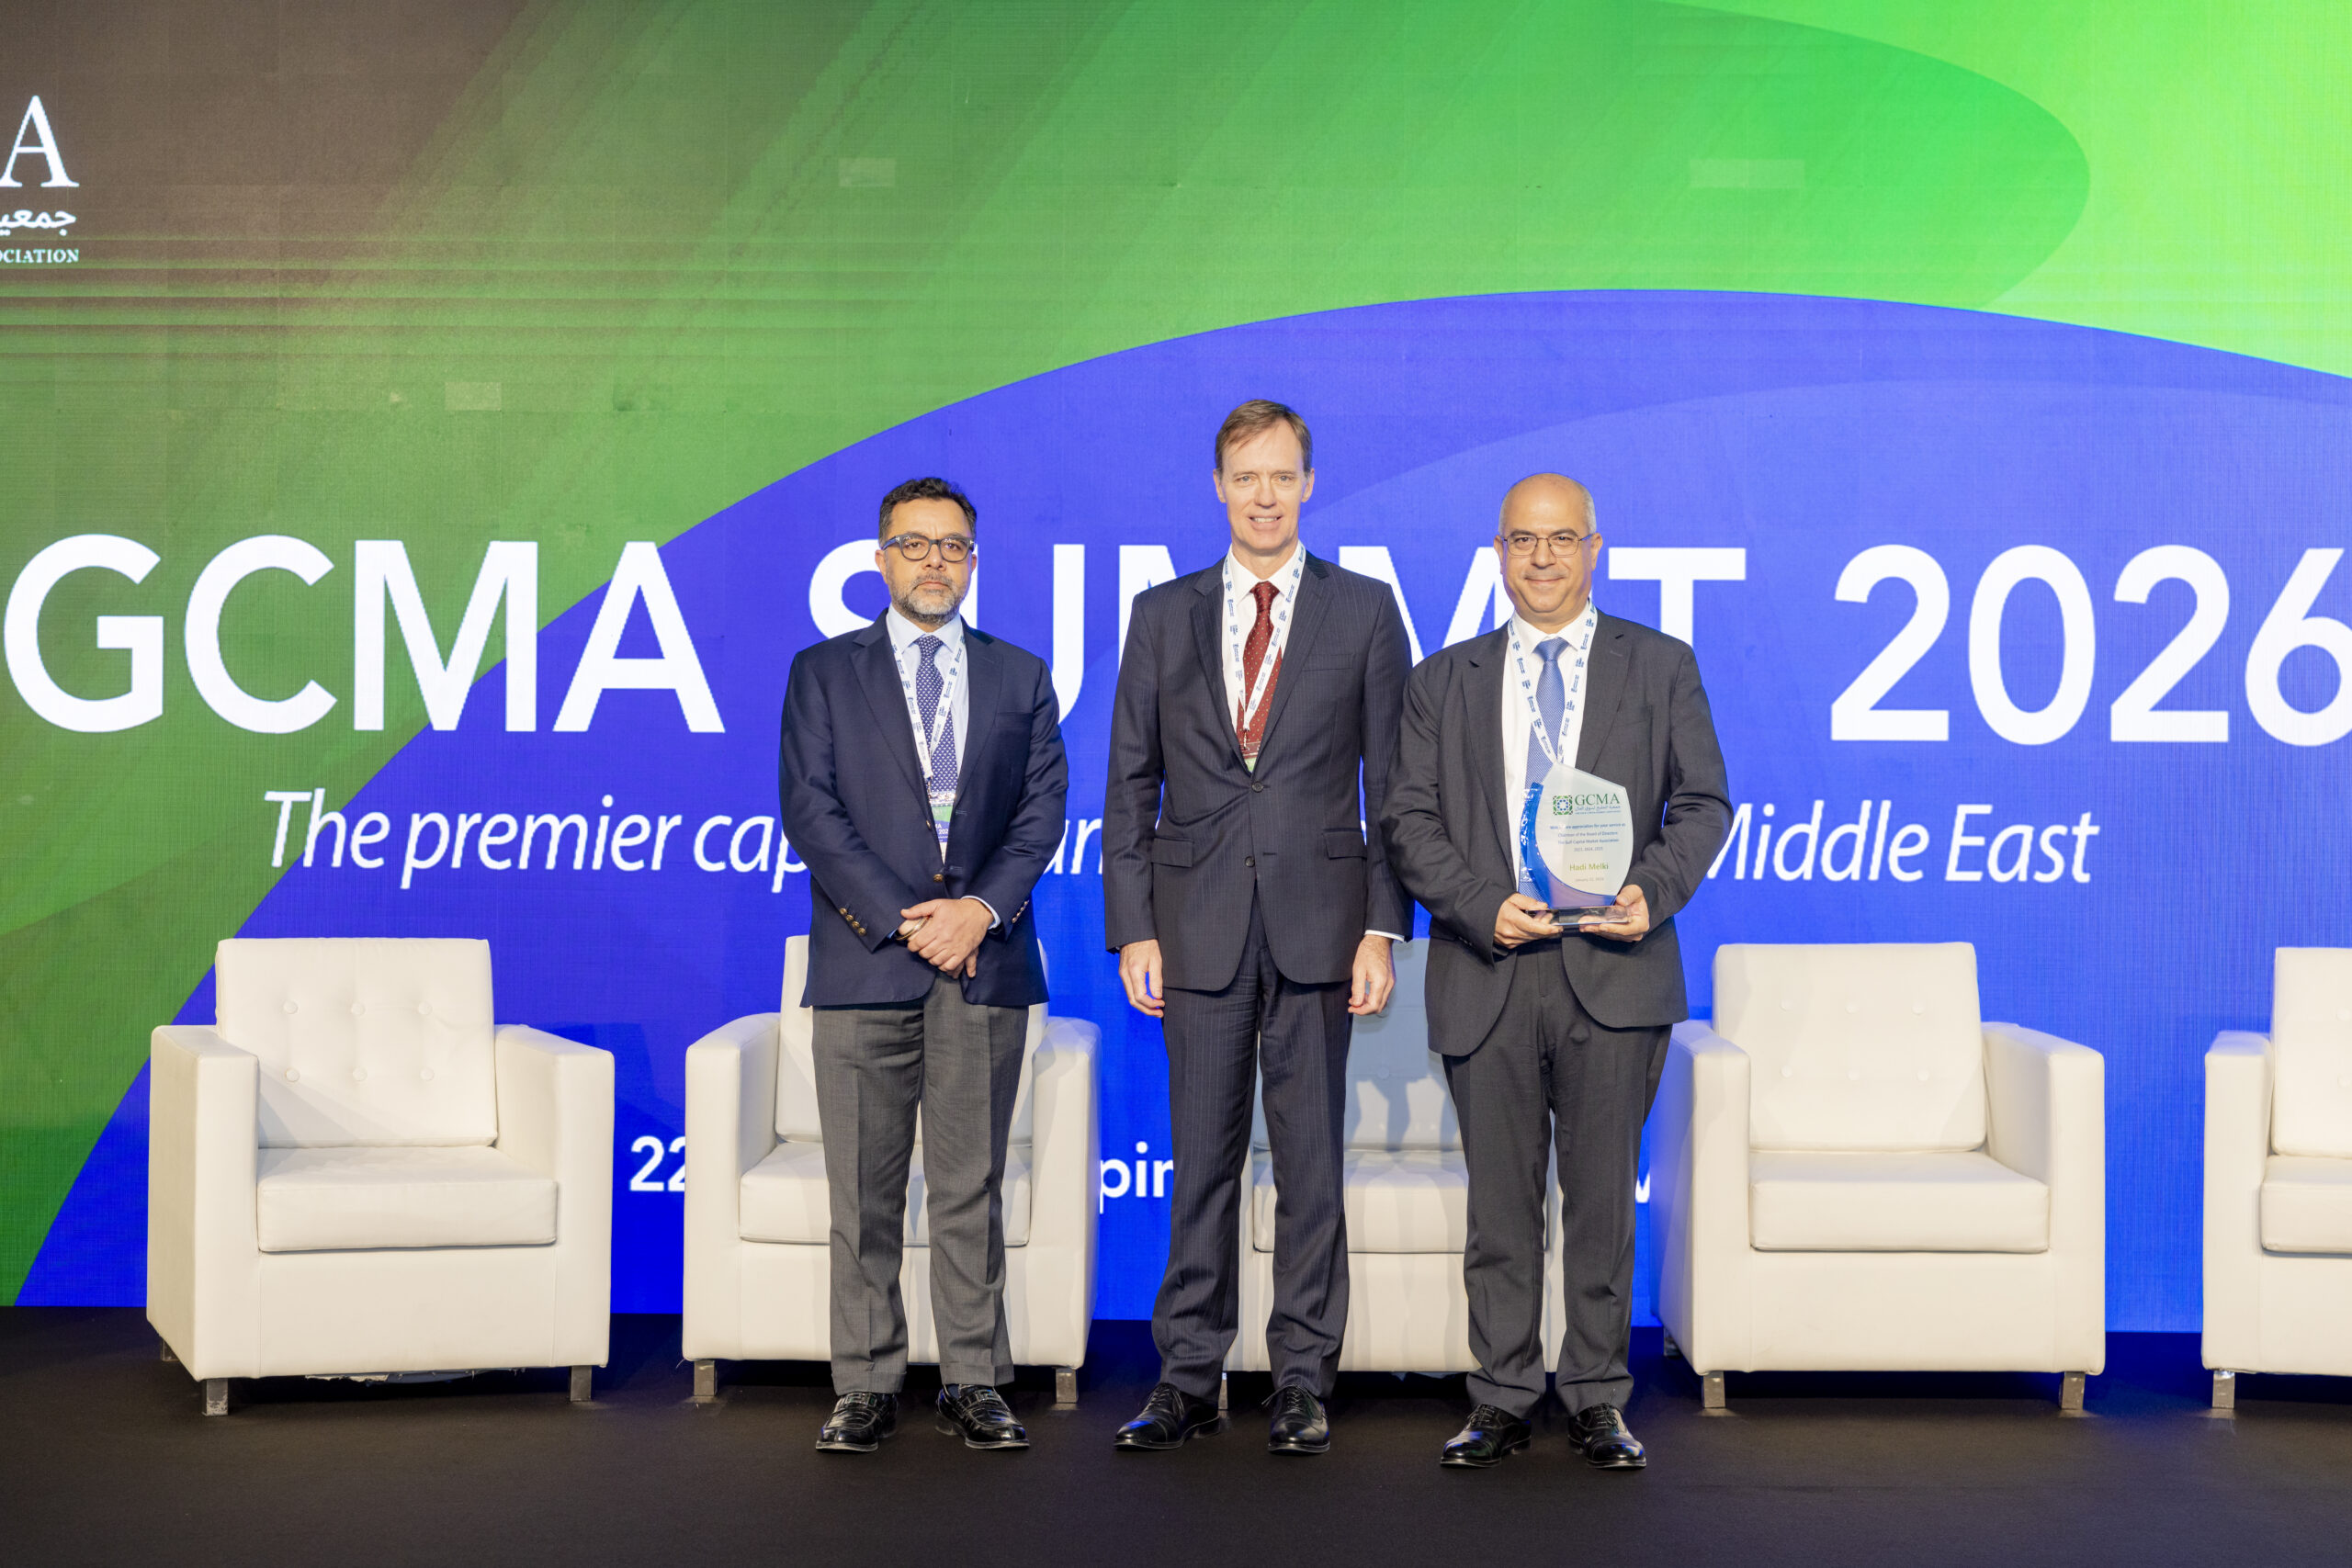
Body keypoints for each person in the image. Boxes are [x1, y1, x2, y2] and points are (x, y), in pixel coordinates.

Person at [1381, 474, 1728, 1471]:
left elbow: (1703, 802)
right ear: (1498, 552)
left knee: (1602, 1205)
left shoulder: (1659, 665)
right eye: (1523, 541)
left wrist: (1651, 889)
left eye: (1562, 539)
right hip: (1489, 964)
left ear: (1594, 549)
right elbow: (1407, 818)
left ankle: (1596, 1396)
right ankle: (1499, 1395)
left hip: (1614, 969)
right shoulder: (1442, 680)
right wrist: (1477, 902)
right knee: (1499, 1207)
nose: (1542, 558)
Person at [1102, 400, 1411, 1456]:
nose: (1265, 496)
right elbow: (1129, 782)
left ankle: (1301, 1380)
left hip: (1323, 927)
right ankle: (1188, 1378)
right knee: (1201, 1165)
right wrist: (1134, 927)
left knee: (1310, 1169)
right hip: (1193, 930)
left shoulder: (1363, 610)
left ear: (1308, 485)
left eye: (1282, 476)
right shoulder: (1161, 614)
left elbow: (1393, 787)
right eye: (1246, 478)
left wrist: (1381, 928)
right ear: (1219, 488)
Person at [778, 476, 1069, 1454]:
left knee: (968, 1187)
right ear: (880, 559)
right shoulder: (823, 673)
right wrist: (912, 923)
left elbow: (1042, 811)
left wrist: (977, 912)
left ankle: (973, 1380)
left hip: (982, 966)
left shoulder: (1020, 675)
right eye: (914, 544)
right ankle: (865, 1384)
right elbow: (812, 811)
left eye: (952, 546)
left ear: (972, 562)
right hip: (867, 963)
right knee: (863, 1196)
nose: (933, 562)